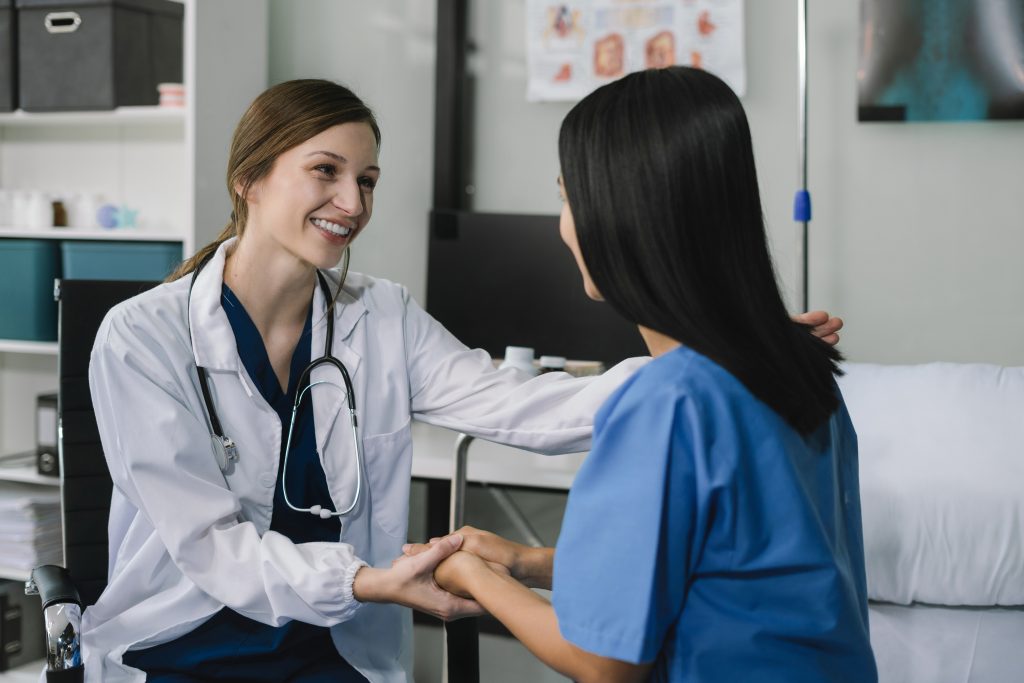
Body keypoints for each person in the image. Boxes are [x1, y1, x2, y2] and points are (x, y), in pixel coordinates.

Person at [83, 78, 843, 682]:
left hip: (330, 647)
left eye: (368, 180)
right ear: (249, 178)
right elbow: (213, 547)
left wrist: (723, 353)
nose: (353, 203)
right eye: (325, 171)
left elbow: (518, 403)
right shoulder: (141, 338)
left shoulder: (379, 315)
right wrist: (370, 580)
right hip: (185, 644)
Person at [412, 66, 877, 682]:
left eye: (566, 197)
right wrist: (528, 561)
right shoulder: (803, 369)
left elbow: (602, 664)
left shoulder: (667, 405)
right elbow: (730, 567)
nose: (563, 225)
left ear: (621, 214)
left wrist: (470, 574)